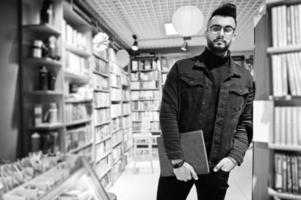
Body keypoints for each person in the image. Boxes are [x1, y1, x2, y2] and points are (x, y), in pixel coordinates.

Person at [157, 3, 255, 200]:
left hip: (218, 165)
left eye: (228, 29)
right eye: (216, 28)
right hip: (181, 160)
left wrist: (235, 157)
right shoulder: (181, 69)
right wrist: (176, 161)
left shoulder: (245, 78)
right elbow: (168, 114)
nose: (221, 34)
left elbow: (246, 123)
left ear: (234, 35)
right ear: (207, 32)